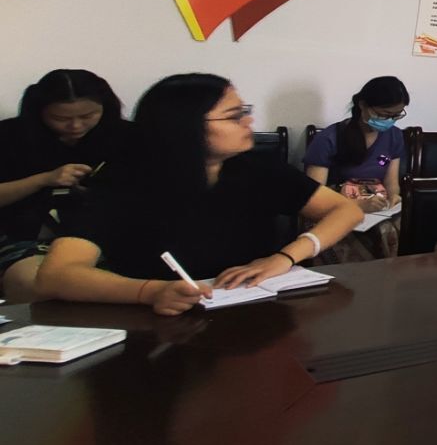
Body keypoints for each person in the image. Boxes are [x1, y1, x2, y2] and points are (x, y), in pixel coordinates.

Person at [36, 74, 364, 314]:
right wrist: (149, 292)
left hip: (250, 314)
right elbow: (56, 275)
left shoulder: (255, 167)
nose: (249, 121)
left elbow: (346, 210)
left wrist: (285, 258)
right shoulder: (126, 179)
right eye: (235, 116)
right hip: (158, 325)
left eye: (244, 110)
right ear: (186, 126)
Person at [0, 69, 136, 302]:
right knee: (37, 285)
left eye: (88, 115)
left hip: (106, 232)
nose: (75, 125)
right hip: (25, 235)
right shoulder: (9, 136)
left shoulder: (127, 136)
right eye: (60, 119)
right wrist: (44, 179)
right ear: (39, 111)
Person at [303, 76, 408, 210]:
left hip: (378, 211)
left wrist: (393, 196)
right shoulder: (328, 138)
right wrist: (358, 205)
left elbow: (391, 183)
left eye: (396, 115)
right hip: (335, 210)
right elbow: (314, 197)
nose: (390, 120)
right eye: (384, 115)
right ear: (363, 105)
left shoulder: (394, 136)